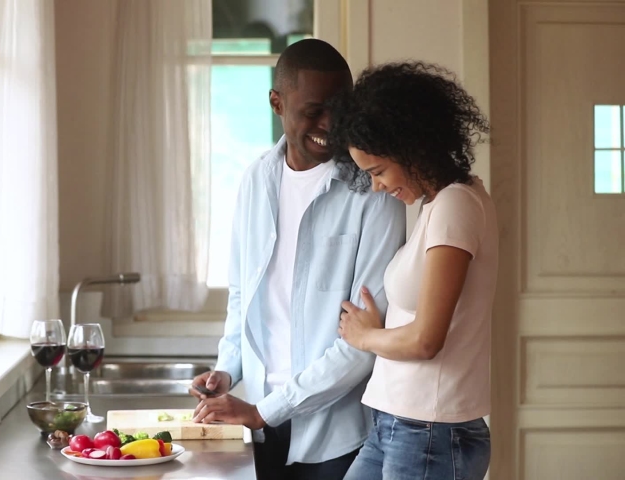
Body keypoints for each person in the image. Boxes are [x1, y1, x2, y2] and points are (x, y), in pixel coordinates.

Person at [189, 39, 406, 480]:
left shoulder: (374, 192)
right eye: (314, 110)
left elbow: (364, 341)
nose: (331, 124)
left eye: (341, 108)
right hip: (258, 426)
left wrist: (265, 410)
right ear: (277, 103)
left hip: (336, 435)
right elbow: (242, 295)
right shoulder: (255, 180)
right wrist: (226, 371)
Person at [329, 62, 497, 480]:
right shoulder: (436, 206)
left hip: (431, 432)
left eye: (378, 171)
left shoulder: (456, 206)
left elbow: (427, 341)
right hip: (400, 421)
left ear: (412, 147)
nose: (376, 187)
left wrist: (366, 337)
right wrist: (379, 326)